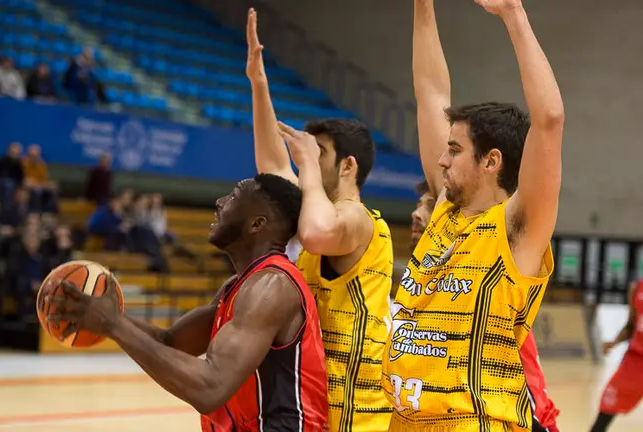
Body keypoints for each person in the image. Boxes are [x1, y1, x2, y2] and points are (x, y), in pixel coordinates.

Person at [383, 0, 564, 430]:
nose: (441, 161)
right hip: (404, 420)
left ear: (491, 161)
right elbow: (430, 91)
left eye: (455, 149)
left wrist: (512, 14)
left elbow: (550, 120)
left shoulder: (517, 230)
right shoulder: (445, 213)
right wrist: (422, 5)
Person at [46, 174, 329, 430]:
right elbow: (169, 342)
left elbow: (210, 388)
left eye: (233, 196)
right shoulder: (237, 286)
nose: (219, 202)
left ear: (257, 223)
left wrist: (113, 324)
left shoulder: (272, 287)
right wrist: (101, 314)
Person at [246, 9, 394, 431]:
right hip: (317, 410)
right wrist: (259, 83)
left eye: (319, 154)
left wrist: (307, 168)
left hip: (360, 418)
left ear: (347, 166)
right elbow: (273, 166)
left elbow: (316, 233)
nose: (306, 161)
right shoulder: (315, 205)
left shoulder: (359, 221)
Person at [411, 178, 560, 431]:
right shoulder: (431, 285)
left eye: (429, 205)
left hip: (526, 419)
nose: (416, 214)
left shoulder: (486, 278)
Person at [590, 279, 643, 432]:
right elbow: (631, 325)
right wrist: (613, 342)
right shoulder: (637, 287)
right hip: (635, 361)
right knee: (607, 406)